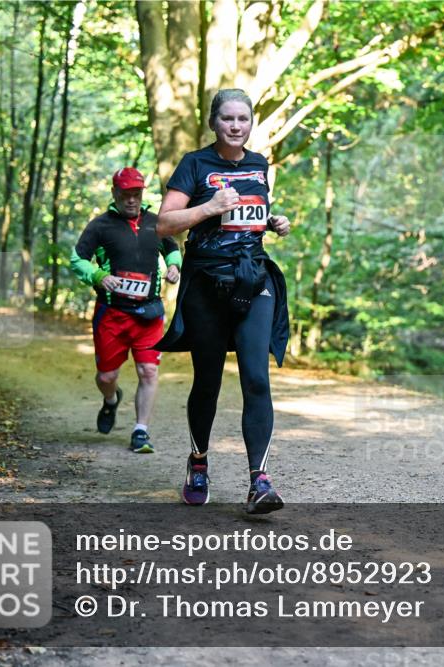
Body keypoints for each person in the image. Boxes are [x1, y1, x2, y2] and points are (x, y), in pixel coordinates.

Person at [154, 89, 290, 513]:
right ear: (214, 122)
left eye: (243, 120)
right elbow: (163, 223)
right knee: (208, 381)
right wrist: (209, 206)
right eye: (227, 119)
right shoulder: (195, 164)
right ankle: (198, 462)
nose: (235, 126)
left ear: (251, 124)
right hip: (207, 282)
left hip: (253, 278)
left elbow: (248, 219)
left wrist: (272, 221)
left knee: (256, 378)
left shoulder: (259, 164)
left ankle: (259, 482)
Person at [70, 167, 182, 453]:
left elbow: (172, 247)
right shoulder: (100, 226)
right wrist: (96, 276)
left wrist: (173, 266)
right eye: (125, 194)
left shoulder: (156, 222)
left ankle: (141, 430)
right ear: (114, 194)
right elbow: (77, 259)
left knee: (148, 371)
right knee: (106, 377)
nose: (131, 200)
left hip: (149, 314)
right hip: (112, 314)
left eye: (136, 194)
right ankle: (110, 400)